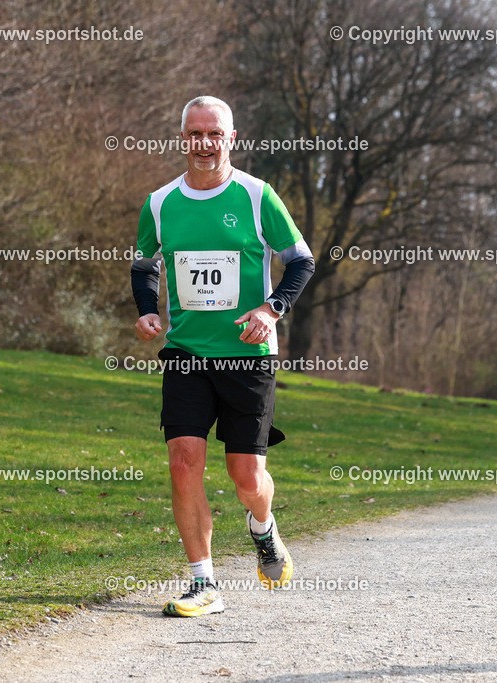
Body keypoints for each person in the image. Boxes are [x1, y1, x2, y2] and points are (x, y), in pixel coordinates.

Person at [130, 96, 314, 617]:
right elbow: (144, 264)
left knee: (246, 478)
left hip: (247, 355)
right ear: (182, 138)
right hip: (186, 352)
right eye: (194, 134)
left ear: (231, 139)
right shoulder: (161, 203)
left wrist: (273, 308)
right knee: (183, 461)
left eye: (214, 134)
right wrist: (147, 311)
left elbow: (301, 260)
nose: (204, 144)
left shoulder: (257, 197)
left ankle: (263, 527)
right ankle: (202, 582)